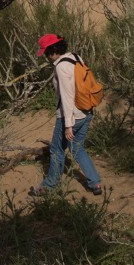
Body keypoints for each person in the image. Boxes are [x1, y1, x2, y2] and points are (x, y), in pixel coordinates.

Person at [29, 32, 103, 197]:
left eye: (46, 52)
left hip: (70, 116)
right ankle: (95, 182)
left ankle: (48, 186)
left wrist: (68, 125)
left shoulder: (61, 67)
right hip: (86, 112)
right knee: (77, 148)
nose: (46, 56)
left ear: (51, 50)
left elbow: (67, 96)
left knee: (56, 149)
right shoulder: (75, 57)